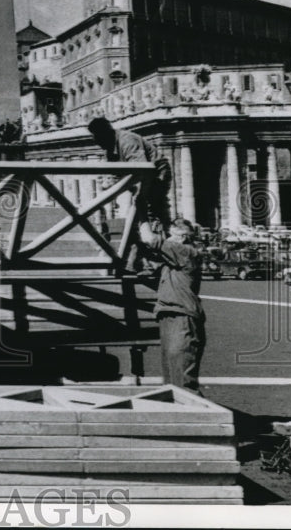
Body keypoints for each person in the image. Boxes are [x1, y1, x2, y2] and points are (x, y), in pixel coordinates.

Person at [88, 116, 172, 270]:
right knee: (135, 215)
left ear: (106, 134)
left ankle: (157, 257)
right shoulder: (109, 148)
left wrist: (138, 198)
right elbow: (113, 174)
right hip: (135, 177)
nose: (96, 144)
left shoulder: (128, 141)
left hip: (156, 175)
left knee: (150, 212)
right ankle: (141, 258)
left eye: (97, 139)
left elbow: (142, 170)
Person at [144, 218, 206, 393]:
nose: (168, 239)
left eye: (172, 236)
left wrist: (139, 210)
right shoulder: (171, 263)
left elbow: (150, 239)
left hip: (182, 317)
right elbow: (137, 268)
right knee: (171, 378)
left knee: (182, 377)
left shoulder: (186, 252)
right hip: (169, 315)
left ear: (184, 238)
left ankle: (194, 415)